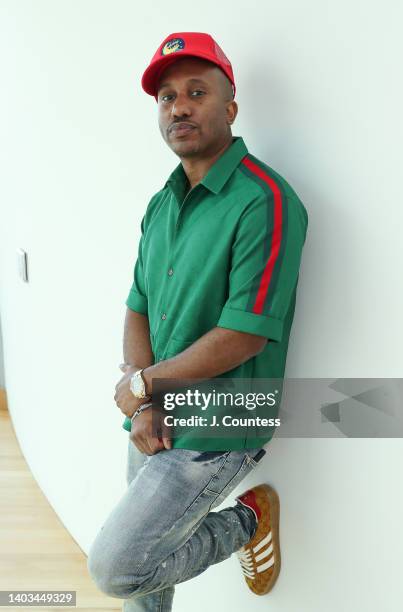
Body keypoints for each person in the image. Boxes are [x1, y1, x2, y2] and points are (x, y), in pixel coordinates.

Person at [87, 32, 308, 611]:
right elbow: (137, 308)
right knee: (146, 585)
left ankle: (248, 522)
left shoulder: (266, 200)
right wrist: (145, 399)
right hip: (158, 411)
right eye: (165, 96)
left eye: (195, 92)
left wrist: (143, 385)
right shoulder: (161, 205)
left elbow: (244, 335)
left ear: (229, 108)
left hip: (225, 418)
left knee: (121, 569)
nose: (178, 106)